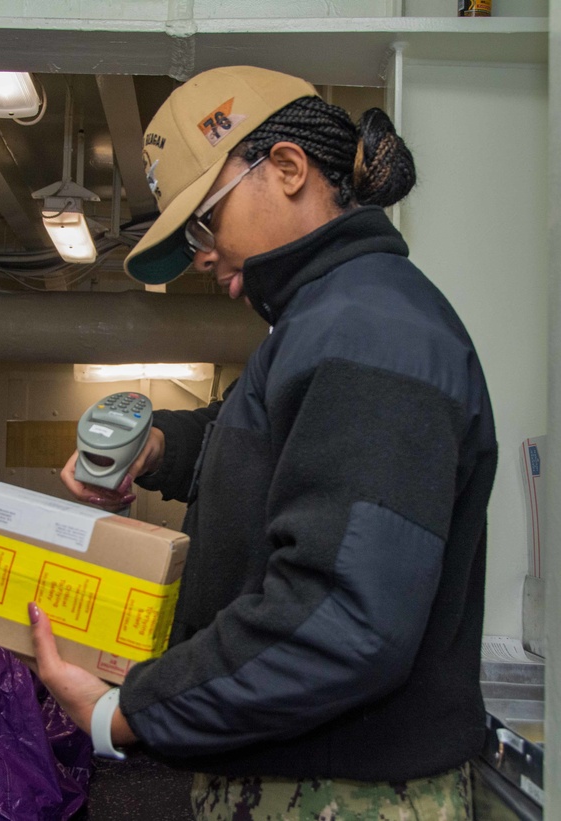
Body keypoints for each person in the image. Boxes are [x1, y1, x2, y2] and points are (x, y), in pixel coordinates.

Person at [28, 65, 496, 819]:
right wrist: (156, 447)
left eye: (203, 224)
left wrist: (128, 711)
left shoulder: (367, 331)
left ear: (285, 167)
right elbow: (261, 439)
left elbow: (341, 618)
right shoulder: (323, 325)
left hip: (343, 796)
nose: (202, 255)